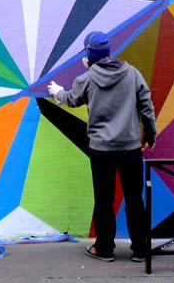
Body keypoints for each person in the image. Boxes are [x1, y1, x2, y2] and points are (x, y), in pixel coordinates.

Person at [47, 30, 158, 263]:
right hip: (130, 149)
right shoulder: (132, 74)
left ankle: (105, 248)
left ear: (88, 55)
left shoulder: (86, 79)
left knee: (104, 200)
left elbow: (72, 99)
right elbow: (146, 106)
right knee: (134, 199)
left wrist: (58, 92)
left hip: (101, 151)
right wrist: (150, 135)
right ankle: (140, 249)